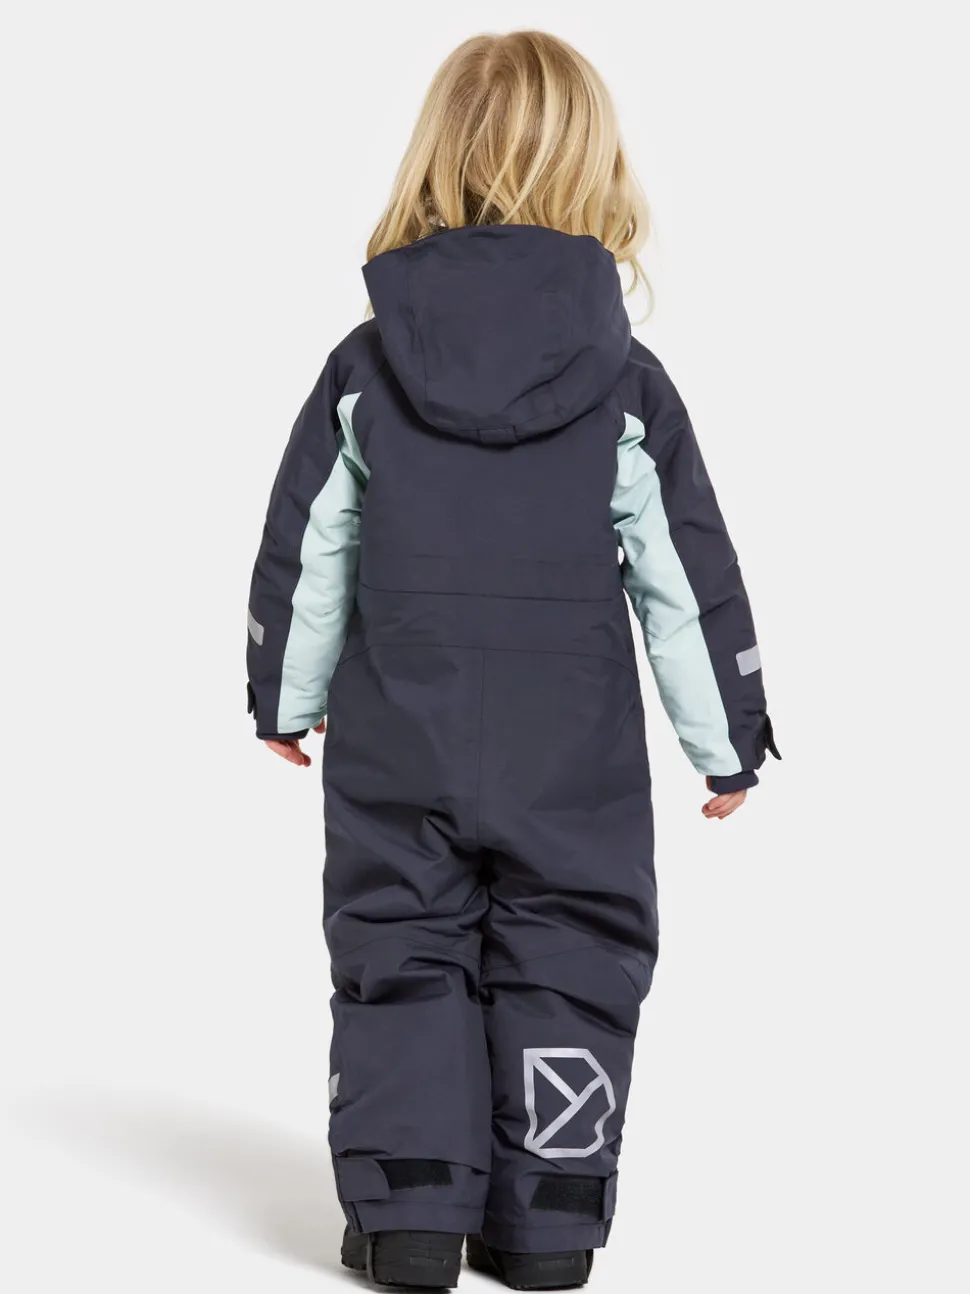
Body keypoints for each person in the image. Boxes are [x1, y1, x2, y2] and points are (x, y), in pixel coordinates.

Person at [246, 29, 778, 1292]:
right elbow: (684, 574)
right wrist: (727, 741)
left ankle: (411, 1219)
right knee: (573, 942)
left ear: (432, 162)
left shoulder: (365, 368)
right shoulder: (626, 385)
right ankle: (547, 1223)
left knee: (400, 942)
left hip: (401, 729)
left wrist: (283, 695)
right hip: (569, 752)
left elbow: (310, 545)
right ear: (597, 171)